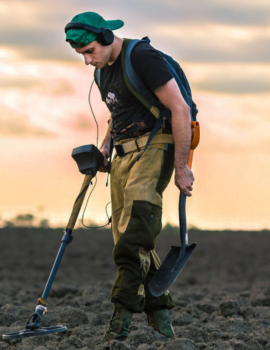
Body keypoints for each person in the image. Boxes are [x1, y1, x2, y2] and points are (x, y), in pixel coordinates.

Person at [64, 12, 194, 343]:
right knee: (129, 238)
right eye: (82, 55)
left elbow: (179, 108)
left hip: (156, 149)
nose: (88, 60)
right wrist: (104, 150)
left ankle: (119, 321)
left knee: (135, 233)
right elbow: (117, 115)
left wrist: (182, 167)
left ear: (107, 38)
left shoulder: (143, 58)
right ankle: (161, 319)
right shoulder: (101, 72)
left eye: (90, 51)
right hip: (122, 156)